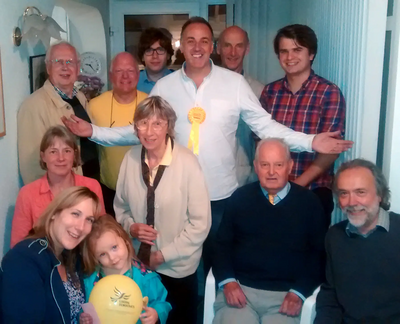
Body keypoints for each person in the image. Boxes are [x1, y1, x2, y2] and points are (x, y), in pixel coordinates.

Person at [62, 17, 352, 276]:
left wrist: (311, 141)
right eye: (190, 40)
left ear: (212, 46)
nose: (197, 47)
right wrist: (94, 132)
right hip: (173, 193)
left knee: (219, 264)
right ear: (182, 46)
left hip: (220, 195)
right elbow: (139, 130)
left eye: (204, 41)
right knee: (174, 264)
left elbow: (265, 127)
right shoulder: (166, 86)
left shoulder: (235, 83)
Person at [114, 96, 211, 324]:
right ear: (135, 127)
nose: (149, 131)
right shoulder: (129, 159)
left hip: (178, 270)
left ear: (169, 126)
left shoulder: (188, 163)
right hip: (139, 266)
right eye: (143, 123)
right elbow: (121, 207)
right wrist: (132, 228)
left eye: (157, 123)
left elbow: (200, 224)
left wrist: (163, 256)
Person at [213, 138, 325, 324]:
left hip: (285, 298)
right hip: (241, 292)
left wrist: (299, 292)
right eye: (265, 165)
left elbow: (319, 255)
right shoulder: (240, 198)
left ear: (289, 166)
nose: (271, 172)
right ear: (256, 167)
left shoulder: (310, 203)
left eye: (278, 165)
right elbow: (221, 245)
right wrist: (228, 282)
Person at [260, 24, 346, 230]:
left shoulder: (329, 92)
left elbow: (331, 150)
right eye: (284, 51)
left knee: (309, 255)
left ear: (311, 54)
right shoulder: (270, 92)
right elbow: (261, 139)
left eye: (297, 50)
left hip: (313, 191)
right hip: (272, 188)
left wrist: (296, 186)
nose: (290, 56)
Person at [315, 159, 400, 323]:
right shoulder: (335, 236)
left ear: (379, 195)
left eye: (360, 192)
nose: (352, 202)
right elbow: (330, 296)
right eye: (344, 193)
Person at [1, 186, 102, 323]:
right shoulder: (24, 259)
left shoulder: (71, 257)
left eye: (89, 219)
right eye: (75, 214)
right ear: (55, 213)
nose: (80, 227)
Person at [18, 41, 99, 185]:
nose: (65, 67)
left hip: (90, 181)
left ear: (78, 67)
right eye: (58, 62)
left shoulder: (79, 96)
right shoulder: (33, 106)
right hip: (64, 196)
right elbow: (32, 167)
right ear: (48, 67)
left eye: (70, 62)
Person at [11, 126, 105, 247]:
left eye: (67, 151)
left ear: (74, 155)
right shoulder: (27, 194)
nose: (61, 158)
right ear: (43, 156)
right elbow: (18, 246)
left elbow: (101, 233)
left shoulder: (92, 186)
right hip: (42, 262)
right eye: (53, 152)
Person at [80, 214, 171, 324]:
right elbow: (84, 308)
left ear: (125, 241)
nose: (112, 258)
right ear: (95, 257)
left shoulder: (147, 278)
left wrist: (156, 314)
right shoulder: (90, 282)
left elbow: (162, 302)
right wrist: (83, 318)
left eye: (114, 247)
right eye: (103, 254)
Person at [87, 52, 147, 216]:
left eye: (130, 70)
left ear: (138, 74)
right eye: (119, 71)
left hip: (145, 190)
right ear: (111, 75)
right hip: (108, 190)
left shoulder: (151, 104)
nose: (125, 76)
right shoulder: (93, 106)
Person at [217, 25, 265, 185]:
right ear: (218, 48)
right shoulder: (203, 88)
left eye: (239, 46)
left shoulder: (259, 91)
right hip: (210, 182)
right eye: (227, 46)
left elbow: (264, 140)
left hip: (246, 183)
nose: (233, 52)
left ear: (247, 49)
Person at [137, 27, 175, 94]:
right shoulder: (132, 81)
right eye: (149, 50)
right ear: (142, 56)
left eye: (160, 50)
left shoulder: (178, 80)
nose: (155, 56)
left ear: (168, 55)